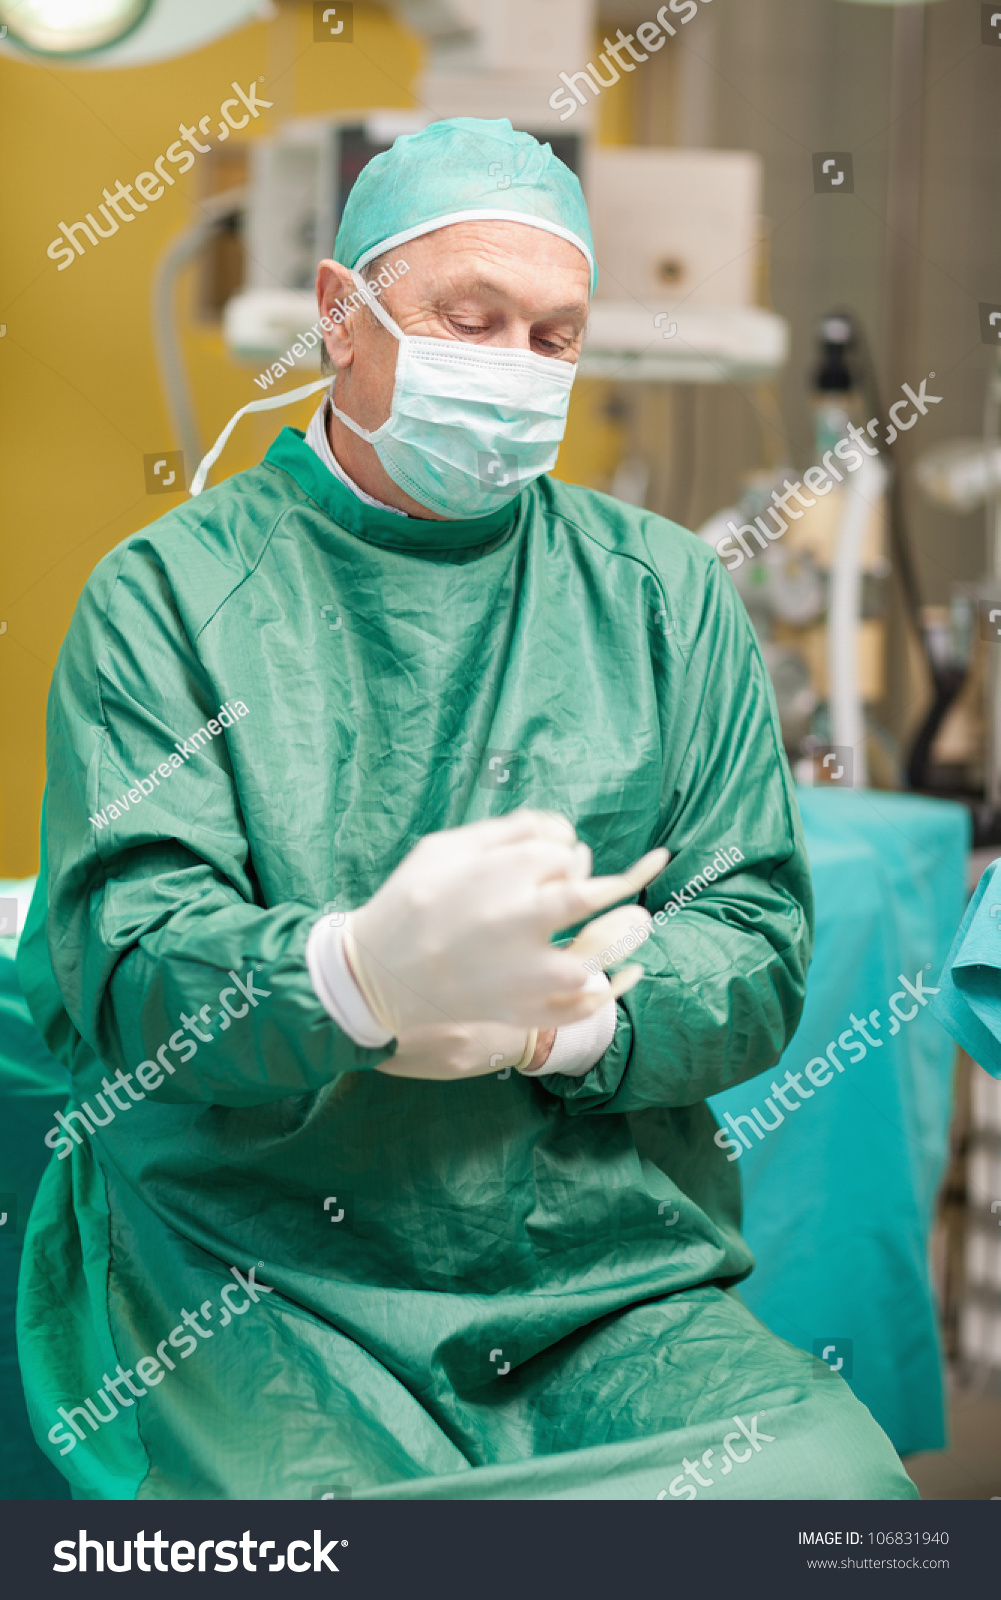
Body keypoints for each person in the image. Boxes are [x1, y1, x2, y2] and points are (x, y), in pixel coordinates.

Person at [17, 118, 915, 1500]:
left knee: (825, 1499)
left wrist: (583, 1015)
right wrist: (353, 978)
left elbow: (755, 936)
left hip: (598, 1284)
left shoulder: (663, 595)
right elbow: (129, 958)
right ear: (338, 315)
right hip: (246, 1275)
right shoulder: (171, 597)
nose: (509, 368)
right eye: (466, 317)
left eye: (552, 337)